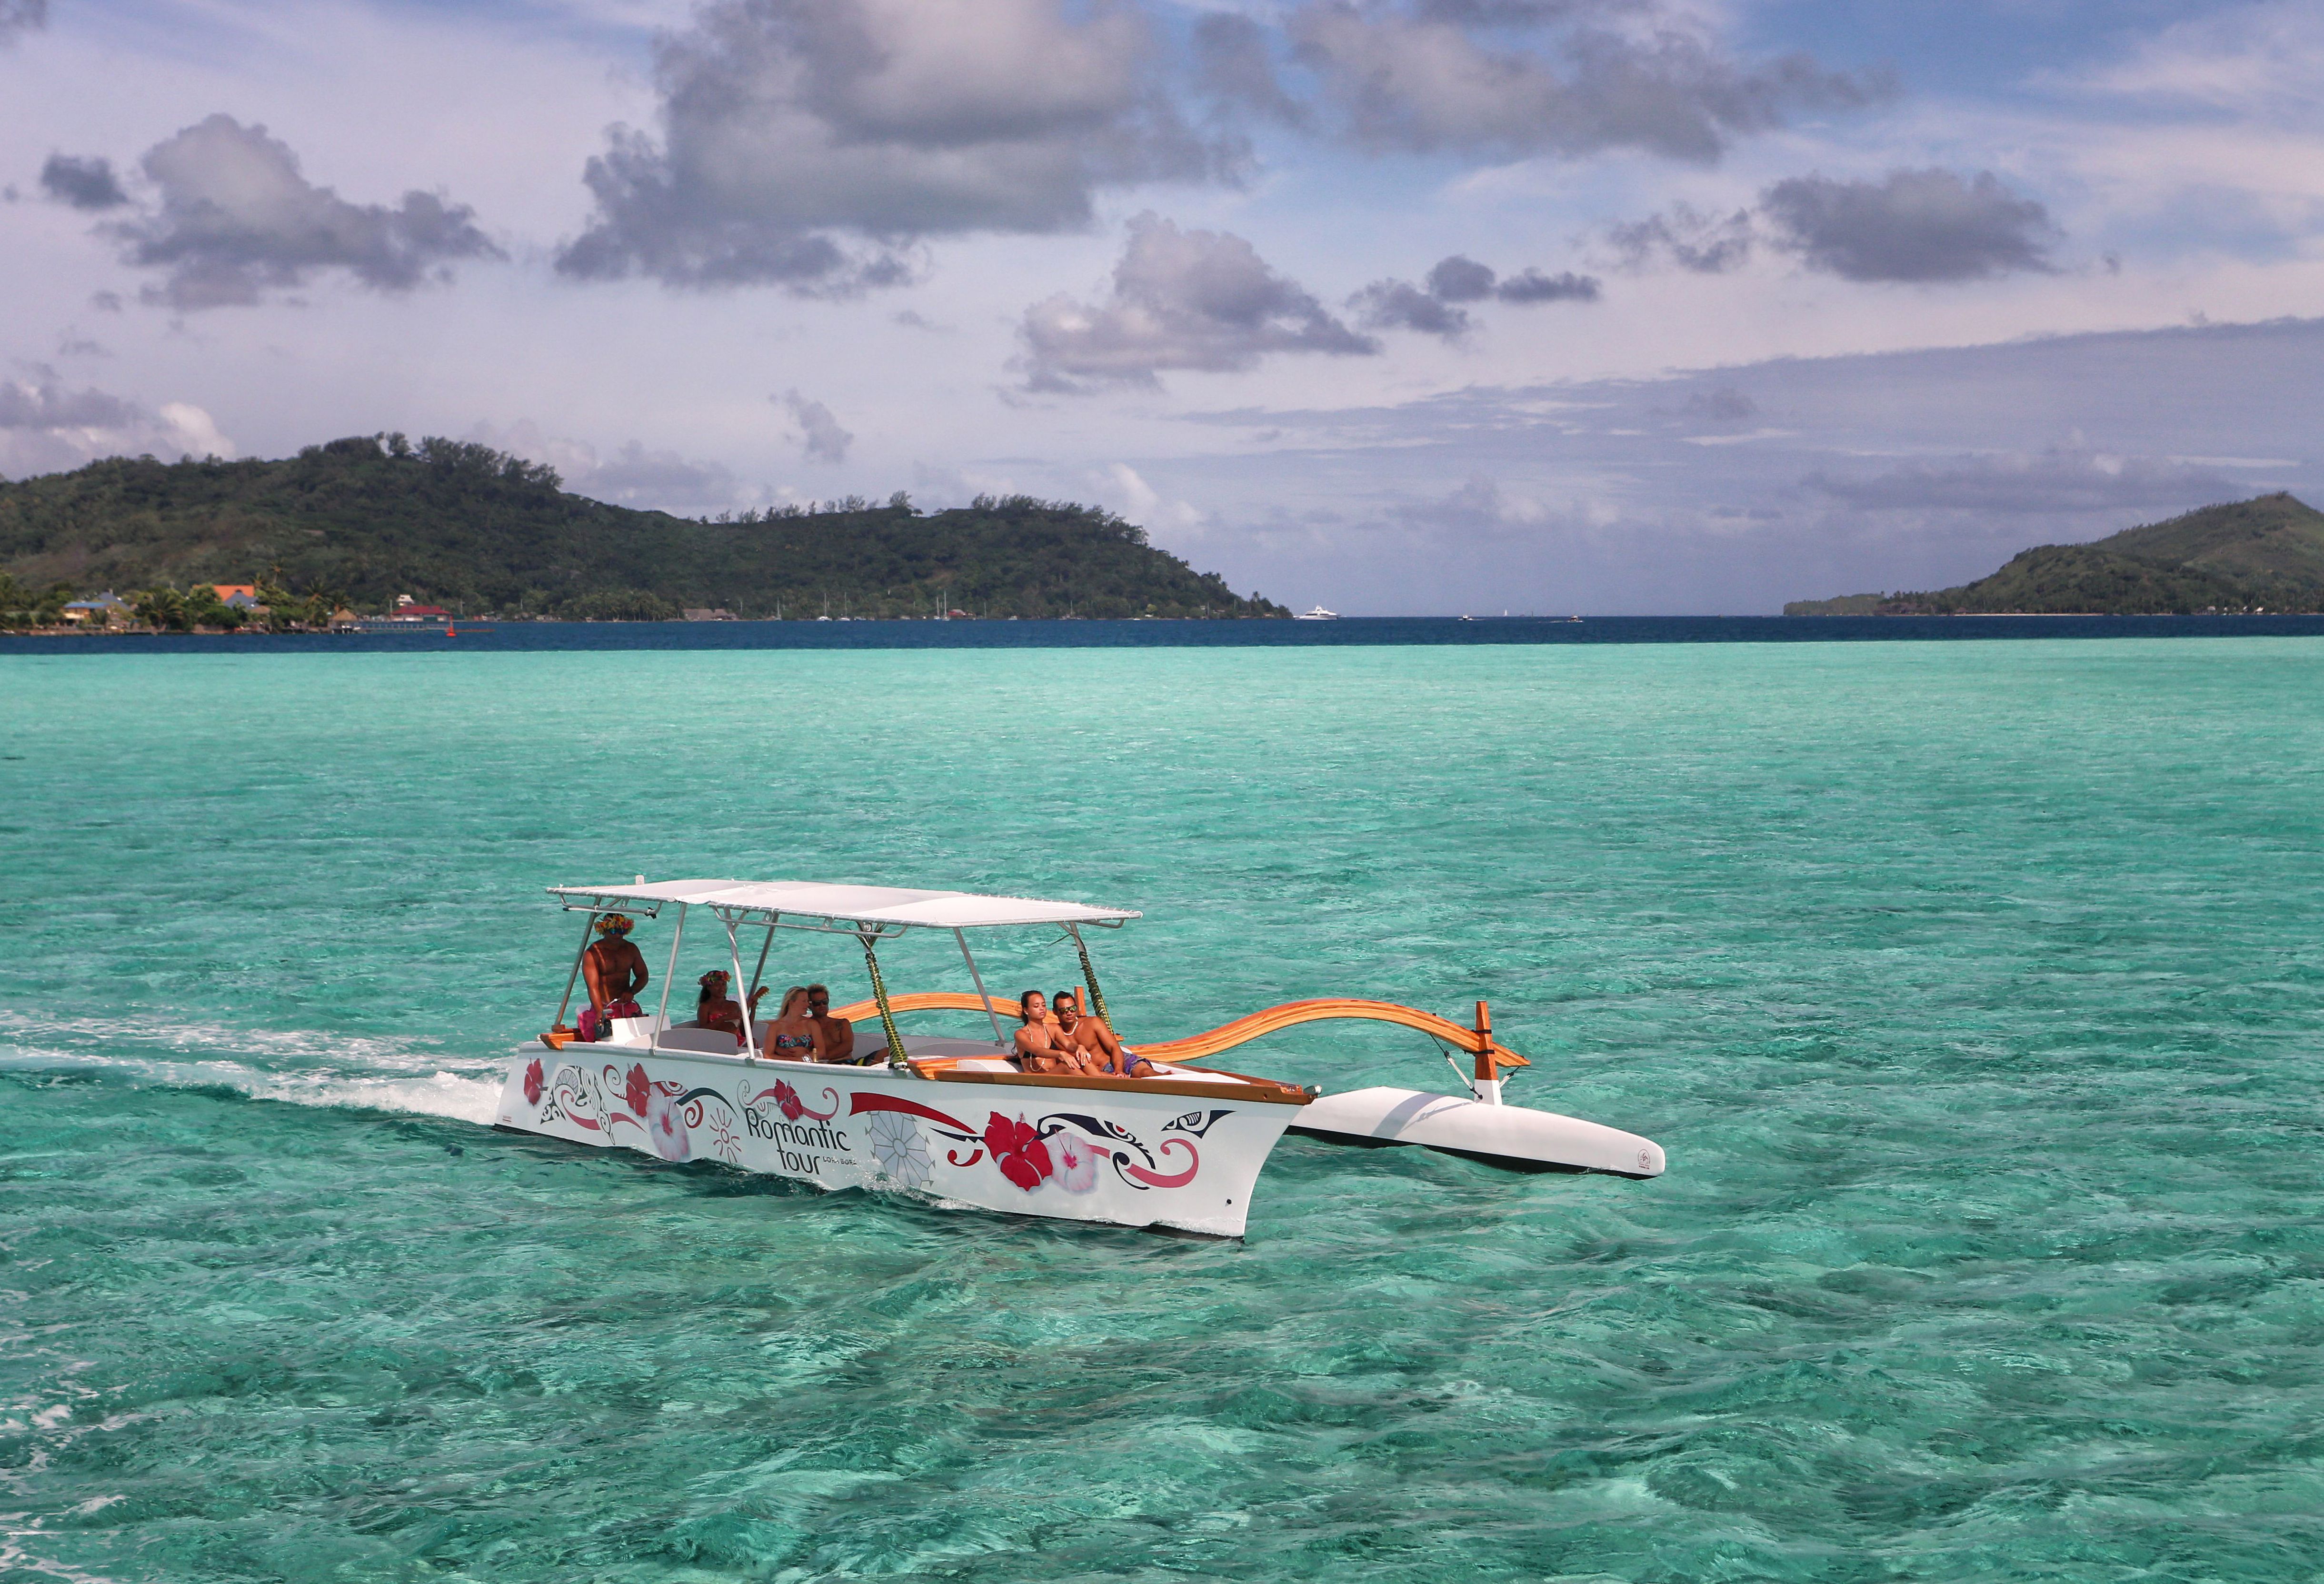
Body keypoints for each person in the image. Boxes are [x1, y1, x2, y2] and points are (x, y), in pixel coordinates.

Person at [1056, 987, 1157, 1077]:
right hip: (1098, 1074)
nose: (1069, 1013)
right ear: (1055, 1012)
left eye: (1072, 1009)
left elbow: (1115, 1048)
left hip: (1116, 1062)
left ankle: (1168, 1078)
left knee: (1146, 1073)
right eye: (1064, 1010)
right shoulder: (1054, 1034)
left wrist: (1119, 1070)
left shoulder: (1092, 1023)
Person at [579, 914, 648, 1041]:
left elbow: (643, 975)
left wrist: (632, 991)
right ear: (604, 930)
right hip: (604, 1006)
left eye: (621, 931)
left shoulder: (631, 949)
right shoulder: (593, 953)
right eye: (613, 931)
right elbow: (592, 986)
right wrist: (600, 1011)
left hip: (625, 1005)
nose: (617, 935)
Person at [1013, 990, 1102, 1076]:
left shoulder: (1053, 1029)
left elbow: (1068, 1045)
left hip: (1055, 1077)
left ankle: (1101, 1082)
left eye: (1044, 1005)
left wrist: (1079, 1047)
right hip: (1037, 1080)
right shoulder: (1021, 1034)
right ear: (1026, 1011)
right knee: (1067, 1066)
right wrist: (1061, 1054)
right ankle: (1096, 1085)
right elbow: (1037, 1051)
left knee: (1082, 1057)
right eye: (1036, 1006)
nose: (1042, 1009)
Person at [805, 984, 857, 1064]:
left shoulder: (842, 1024)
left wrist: (823, 1057)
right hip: (820, 1067)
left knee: (883, 1052)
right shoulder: (806, 1026)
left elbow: (848, 1047)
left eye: (825, 1002)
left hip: (845, 1063)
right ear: (809, 1006)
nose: (822, 1005)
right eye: (817, 1003)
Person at [696, 970, 748, 1048]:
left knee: (753, 1043)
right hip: (716, 1043)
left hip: (738, 1043)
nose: (722, 988)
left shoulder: (734, 1005)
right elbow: (702, 1031)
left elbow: (744, 1031)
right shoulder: (705, 1007)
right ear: (709, 988)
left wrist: (753, 1009)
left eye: (724, 984)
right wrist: (723, 1018)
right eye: (717, 985)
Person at [767, 987, 819, 1059]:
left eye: (808, 1001)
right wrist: (793, 1060)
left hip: (807, 1066)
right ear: (791, 1003)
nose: (808, 1005)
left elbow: (821, 1052)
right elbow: (768, 1055)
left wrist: (804, 1059)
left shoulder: (812, 1024)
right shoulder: (775, 1027)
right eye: (804, 1001)